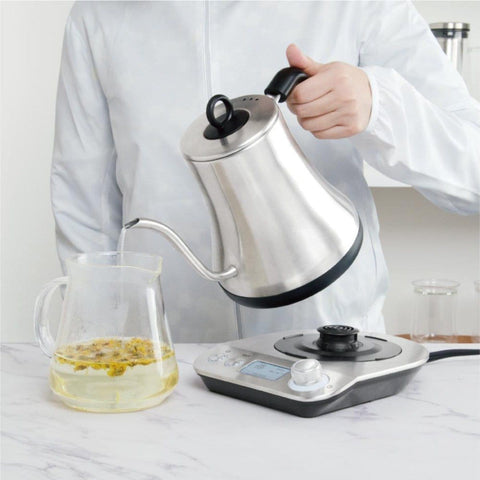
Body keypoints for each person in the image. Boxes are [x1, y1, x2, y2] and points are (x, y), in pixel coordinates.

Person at [51, 1, 480, 342]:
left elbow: (472, 173)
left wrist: (379, 106)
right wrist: (101, 343)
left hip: (330, 351)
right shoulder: (99, 16)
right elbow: (84, 206)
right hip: (169, 358)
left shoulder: (359, 6)